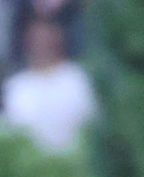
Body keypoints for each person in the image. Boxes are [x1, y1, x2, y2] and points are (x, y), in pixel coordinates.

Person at [3, 16, 93, 153]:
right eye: (35, 38)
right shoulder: (15, 87)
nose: (41, 43)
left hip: (77, 160)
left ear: (59, 38)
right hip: (32, 166)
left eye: (46, 37)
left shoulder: (79, 77)